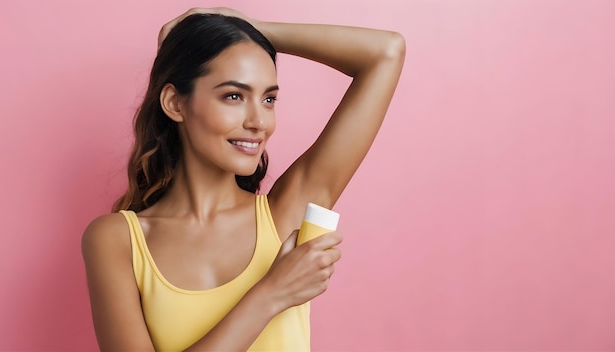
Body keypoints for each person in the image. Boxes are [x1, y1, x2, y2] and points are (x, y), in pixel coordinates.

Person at [82, 7, 405, 351]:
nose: (259, 122)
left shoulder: (285, 212)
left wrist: (246, 28)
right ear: (175, 103)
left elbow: (386, 52)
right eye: (234, 96)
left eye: (268, 99)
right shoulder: (117, 240)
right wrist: (272, 294)